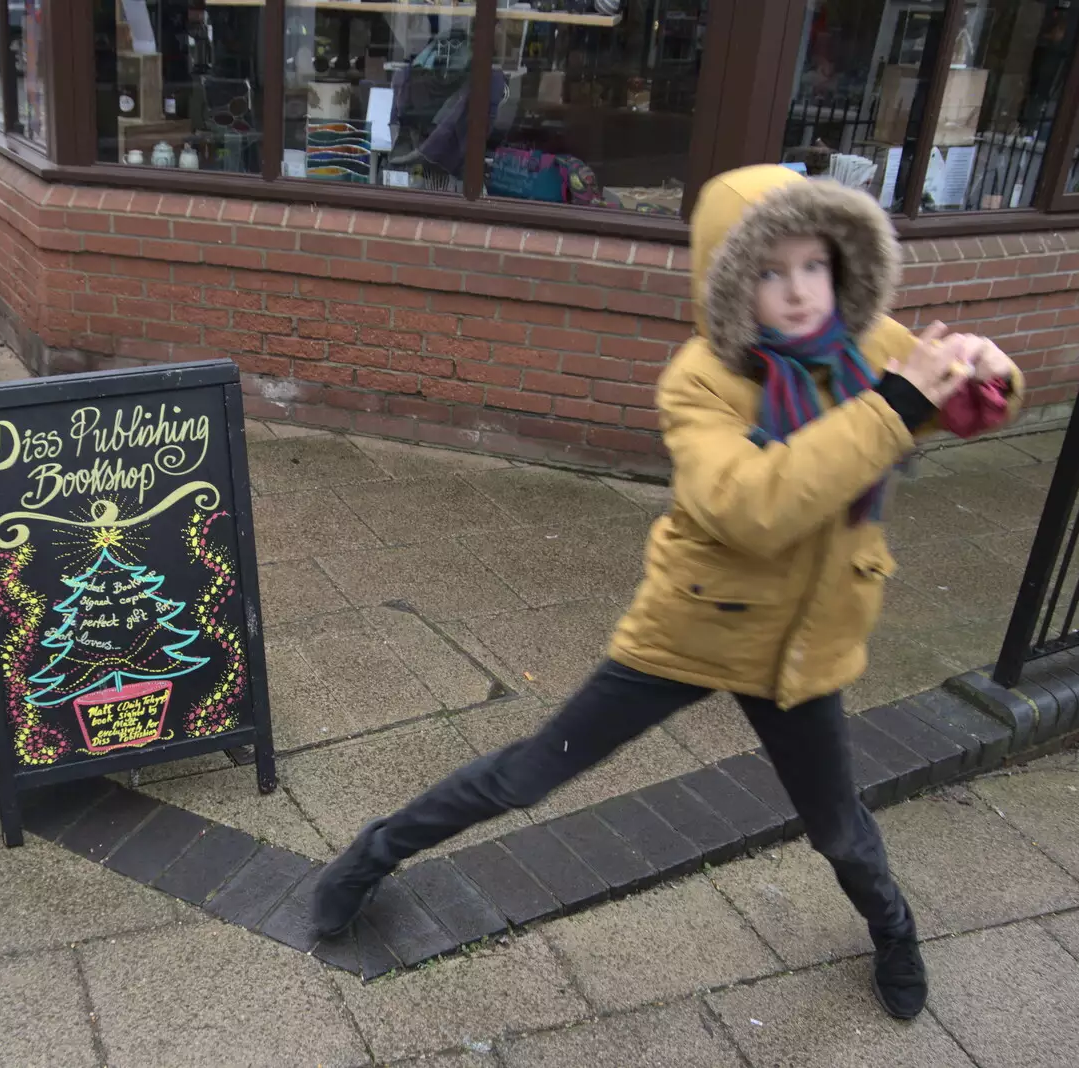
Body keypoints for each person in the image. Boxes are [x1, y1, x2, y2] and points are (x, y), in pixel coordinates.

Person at [310, 165, 1023, 1022]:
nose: (797, 291)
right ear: (728, 279)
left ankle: (896, 933)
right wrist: (897, 404)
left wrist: (986, 371)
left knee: (838, 827)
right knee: (529, 775)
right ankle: (370, 856)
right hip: (690, 629)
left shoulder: (869, 349)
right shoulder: (698, 380)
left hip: (800, 648)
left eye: (813, 266)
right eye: (768, 271)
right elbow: (755, 509)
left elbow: (977, 401)